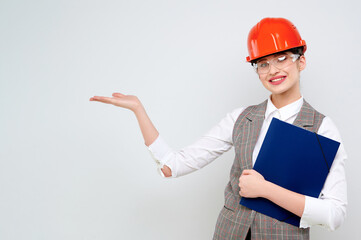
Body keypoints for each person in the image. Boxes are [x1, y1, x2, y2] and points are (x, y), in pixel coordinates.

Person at [89, 17, 347, 240]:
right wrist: (138, 109)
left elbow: (334, 214)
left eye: (282, 58)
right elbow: (173, 166)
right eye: (263, 63)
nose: (273, 70)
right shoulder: (241, 118)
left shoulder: (321, 127)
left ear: (301, 62)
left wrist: (266, 190)